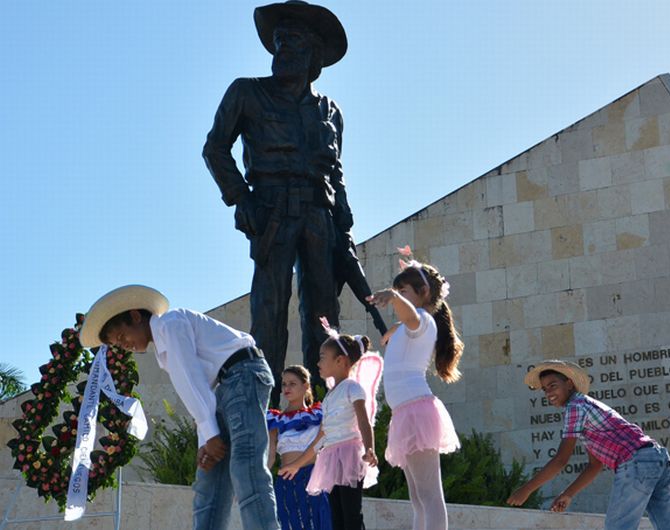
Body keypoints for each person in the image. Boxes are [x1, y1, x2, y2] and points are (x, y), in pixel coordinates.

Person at [202, 0, 354, 405]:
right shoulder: (247, 92)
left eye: (294, 42)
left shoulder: (330, 111)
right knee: (268, 312)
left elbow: (336, 174)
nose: (282, 49)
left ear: (314, 57)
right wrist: (240, 198)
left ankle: (326, 406)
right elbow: (215, 148)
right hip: (270, 212)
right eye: (278, 41)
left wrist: (346, 227)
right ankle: (262, 407)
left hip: (319, 216)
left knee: (324, 314)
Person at [79, 285, 279, 530]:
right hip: (225, 386)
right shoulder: (164, 345)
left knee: (245, 464)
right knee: (208, 481)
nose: (125, 346)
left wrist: (211, 435)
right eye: (118, 345)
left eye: (122, 337)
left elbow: (190, 378)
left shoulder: (170, 324)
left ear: (135, 316)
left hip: (244, 374)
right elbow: (199, 389)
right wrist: (206, 440)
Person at [506, 359, 670, 530]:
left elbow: (561, 459)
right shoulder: (586, 407)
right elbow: (595, 465)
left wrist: (526, 489)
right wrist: (568, 494)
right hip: (657, 459)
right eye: (545, 390)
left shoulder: (575, 406)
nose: (549, 393)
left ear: (569, 384)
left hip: (636, 463)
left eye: (553, 386)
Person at [367, 248, 463, 530]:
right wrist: (393, 325)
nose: (398, 295)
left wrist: (394, 298)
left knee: (430, 494)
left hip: (417, 411)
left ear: (423, 292)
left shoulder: (423, 320)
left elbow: (411, 318)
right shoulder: (409, 324)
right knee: (418, 497)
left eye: (404, 290)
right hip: (404, 413)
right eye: (397, 290)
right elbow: (404, 320)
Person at [278, 326, 382, 530]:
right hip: (332, 459)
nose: (318, 362)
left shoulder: (352, 388)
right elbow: (321, 437)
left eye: (322, 357)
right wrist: (297, 464)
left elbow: (363, 421)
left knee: (351, 515)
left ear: (340, 361)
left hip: (350, 456)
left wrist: (370, 448)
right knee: (337, 517)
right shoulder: (329, 396)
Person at [266, 365, 332, 529]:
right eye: (284, 384)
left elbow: (321, 439)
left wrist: (297, 465)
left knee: (317, 523)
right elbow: (270, 457)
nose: (286, 388)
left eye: (292, 383)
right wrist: (256, 484)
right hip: (286, 481)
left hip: (313, 477)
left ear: (306, 386)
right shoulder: (275, 419)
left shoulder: (319, 413)